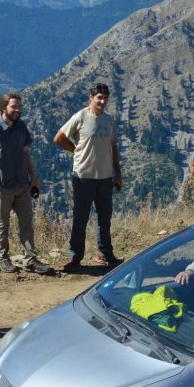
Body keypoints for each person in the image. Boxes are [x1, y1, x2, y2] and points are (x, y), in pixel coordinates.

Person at [54, 82, 122, 271]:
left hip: (105, 177)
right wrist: (75, 151)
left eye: (105, 98)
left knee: (104, 218)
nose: (102, 101)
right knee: (80, 218)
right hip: (83, 176)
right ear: (90, 97)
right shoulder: (81, 117)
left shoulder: (109, 120)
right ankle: (75, 257)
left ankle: (105, 254)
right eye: (99, 97)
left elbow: (113, 147)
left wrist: (118, 174)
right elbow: (59, 137)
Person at [0, 92, 52, 275]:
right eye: (14, 106)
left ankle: (30, 259)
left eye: (19, 107)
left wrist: (34, 178)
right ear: (3, 107)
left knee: (26, 222)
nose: (17, 110)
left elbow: (26, 152)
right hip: (4, 185)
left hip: (23, 183)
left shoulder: (21, 127)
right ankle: (3, 258)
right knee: (2, 223)